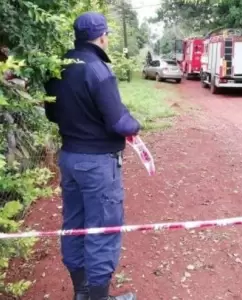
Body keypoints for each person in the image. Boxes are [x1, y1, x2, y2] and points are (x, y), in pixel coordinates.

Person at [44, 12, 140, 300]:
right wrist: (136, 124)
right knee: (102, 231)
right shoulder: (99, 70)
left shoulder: (58, 67)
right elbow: (119, 123)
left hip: (70, 159)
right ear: (101, 37)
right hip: (98, 164)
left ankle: (82, 293)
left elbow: (50, 112)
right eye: (107, 35)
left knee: (73, 225)